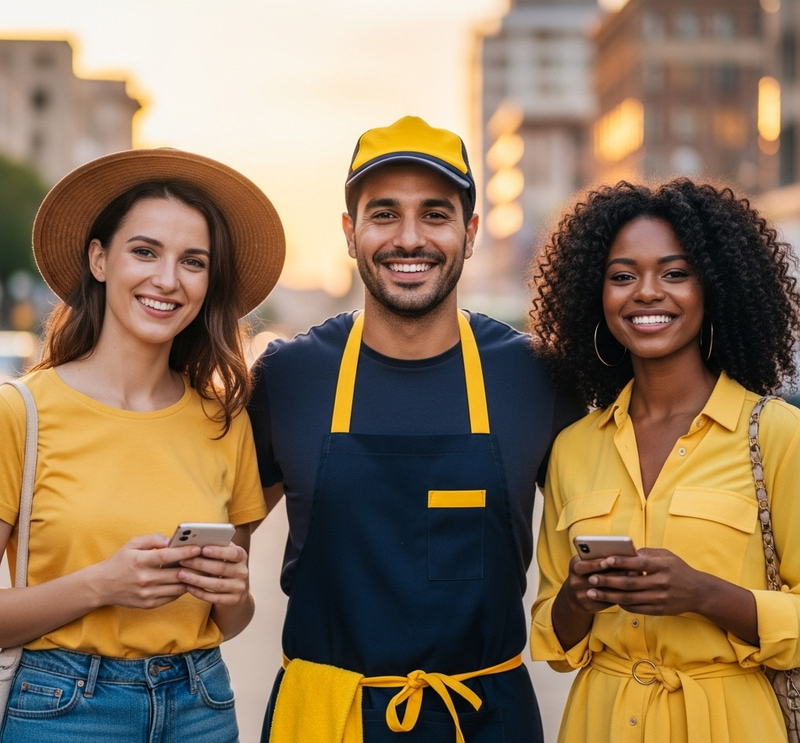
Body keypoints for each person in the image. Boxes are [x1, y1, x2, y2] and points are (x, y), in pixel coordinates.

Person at [248, 115, 581, 743]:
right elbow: (217, 542)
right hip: (326, 720)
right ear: (350, 233)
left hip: (484, 718)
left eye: (434, 214)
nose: (409, 239)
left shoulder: (534, 376)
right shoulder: (290, 376)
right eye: (383, 214)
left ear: (471, 232)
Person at [0, 147, 286, 743]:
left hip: (202, 704)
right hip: (62, 712)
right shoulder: (19, 412)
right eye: (145, 251)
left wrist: (233, 594)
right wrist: (102, 585)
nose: (167, 279)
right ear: (100, 260)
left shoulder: (223, 420)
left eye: (193, 261)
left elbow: (230, 620)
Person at [527, 178, 800, 742]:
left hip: (731, 724)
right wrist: (579, 596)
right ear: (596, 297)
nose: (647, 292)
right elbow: (554, 641)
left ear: (714, 290)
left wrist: (706, 594)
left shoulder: (776, 434)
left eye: (675, 274)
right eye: (622, 276)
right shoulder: (574, 447)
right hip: (599, 723)